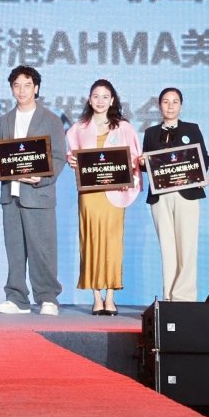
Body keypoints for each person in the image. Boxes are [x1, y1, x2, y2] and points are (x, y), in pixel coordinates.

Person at [0, 65, 68, 316]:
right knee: (14, 249)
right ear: (11, 89)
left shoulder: (51, 120)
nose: (21, 90)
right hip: (11, 194)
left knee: (42, 249)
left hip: (38, 194)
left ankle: (48, 297)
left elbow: (59, 157)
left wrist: (42, 178)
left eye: (27, 85)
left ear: (36, 88)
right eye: (17, 85)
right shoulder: (5, 120)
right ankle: (16, 298)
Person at [65, 78, 144, 317]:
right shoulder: (78, 128)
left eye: (105, 97)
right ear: (89, 100)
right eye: (96, 96)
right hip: (90, 194)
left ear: (112, 101)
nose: (100, 101)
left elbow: (135, 159)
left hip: (115, 194)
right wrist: (71, 160)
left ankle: (110, 296)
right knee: (90, 240)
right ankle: (96, 297)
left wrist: (129, 175)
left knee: (112, 242)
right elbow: (73, 156)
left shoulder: (124, 128)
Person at [141, 87, 209, 302]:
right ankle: (169, 296)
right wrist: (142, 163)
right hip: (160, 197)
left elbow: (203, 158)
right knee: (167, 247)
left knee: (187, 246)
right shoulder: (150, 133)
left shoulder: (192, 129)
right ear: (159, 105)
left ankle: (185, 296)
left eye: (175, 101)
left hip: (186, 194)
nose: (170, 106)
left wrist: (200, 174)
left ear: (181, 105)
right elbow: (149, 165)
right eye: (165, 101)